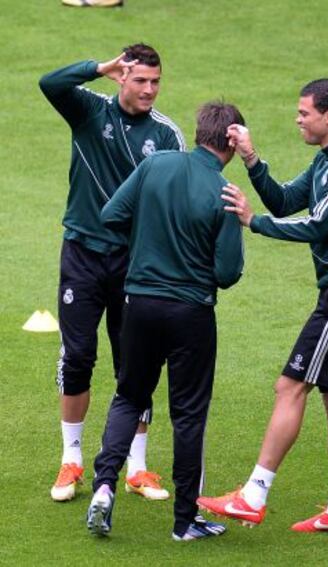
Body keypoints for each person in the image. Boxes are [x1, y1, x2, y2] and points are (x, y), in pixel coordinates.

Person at [197, 79, 328, 535]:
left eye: (303, 113)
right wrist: (251, 158)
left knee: (290, 385)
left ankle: (254, 494)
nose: (298, 120)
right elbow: (284, 199)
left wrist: (253, 222)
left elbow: (318, 225)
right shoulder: (326, 161)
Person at [85, 101, 245, 540]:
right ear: (231, 141)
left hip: (139, 305)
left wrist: (145, 246)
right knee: (189, 416)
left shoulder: (155, 166)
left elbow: (110, 215)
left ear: (198, 132)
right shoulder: (227, 193)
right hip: (191, 314)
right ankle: (184, 522)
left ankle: (103, 487)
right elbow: (229, 274)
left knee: (129, 397)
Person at [39, 43, 186, 503]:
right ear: (121, 77)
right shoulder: (88, 110)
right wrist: (96, 68)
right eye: (140, 80)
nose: (149, 90)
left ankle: (138, 468)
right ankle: (72, 459)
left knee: (136, 364)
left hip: (134, 262)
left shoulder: (166, 135)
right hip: (82, 254)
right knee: (78, 355)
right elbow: (50, 83)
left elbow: (175, 199)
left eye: (155, 81)